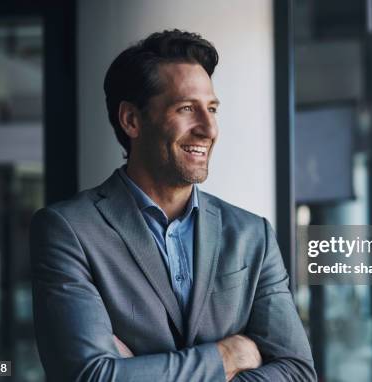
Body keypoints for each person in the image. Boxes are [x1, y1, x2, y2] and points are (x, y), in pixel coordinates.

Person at [30, 29, 316, 381]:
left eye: (212, 109)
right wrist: (226, 356)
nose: (208, 128)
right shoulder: (68, 230)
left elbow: (298, 372)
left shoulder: (252, 234)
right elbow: (91, 376)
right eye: (186, 108)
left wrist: (136, 370)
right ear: (131, 120)